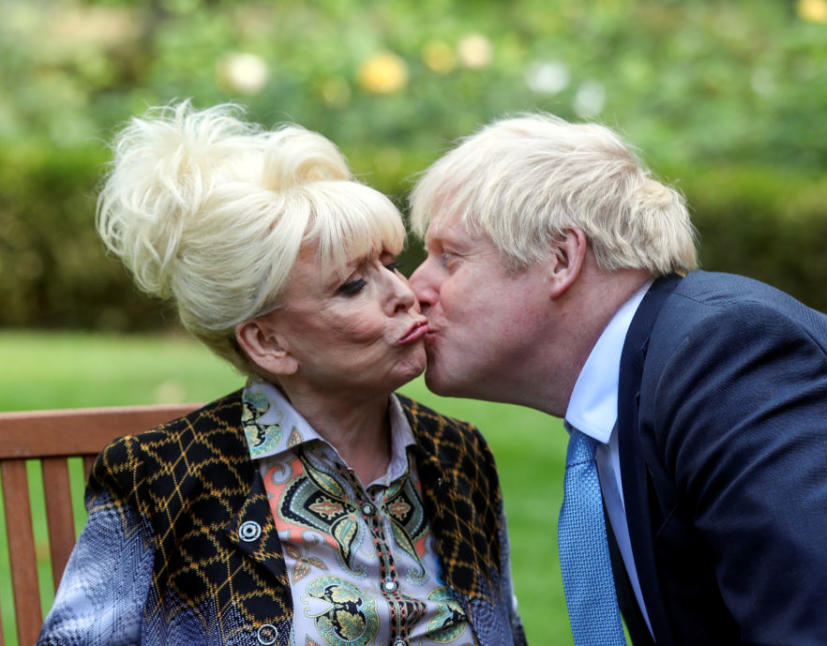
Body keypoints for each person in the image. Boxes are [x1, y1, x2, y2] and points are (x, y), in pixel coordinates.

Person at [407, 113, 827, 646]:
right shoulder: (647, 377)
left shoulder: (730, 356)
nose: (414, 288)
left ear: (560, 257)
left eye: (449, 259)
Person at [38, 102, 525, 646]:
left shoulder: (457, 453)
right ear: (268, 342)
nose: (404, 293)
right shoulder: (162, 477)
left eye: (388, 263)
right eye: (352, 285)